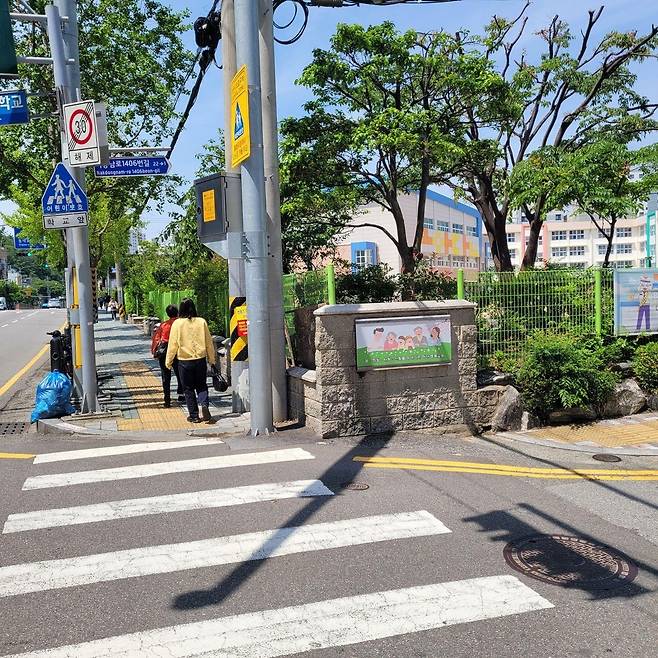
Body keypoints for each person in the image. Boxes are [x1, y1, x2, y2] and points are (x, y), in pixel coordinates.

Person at [165, 298, 216, 423]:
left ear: (181, 309)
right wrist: (212, 360)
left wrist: (169, 361)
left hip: (184, 361)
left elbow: (173, 344)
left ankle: (194, 415)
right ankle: (204, 405)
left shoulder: (177, 323)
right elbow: (209, 343)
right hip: (200, 360)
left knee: (188, 388)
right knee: (202, 385)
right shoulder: (202, 322)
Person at [151, 304, 184, 408]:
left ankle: (167, 399)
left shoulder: (164, 325)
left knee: (166, 376)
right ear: (177, 312)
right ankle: (181, 394)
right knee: (180, 374)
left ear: (167, 314)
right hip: (178, 352)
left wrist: (154, 351)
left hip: (165, 352)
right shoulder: (181, 324)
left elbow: (157, 338)